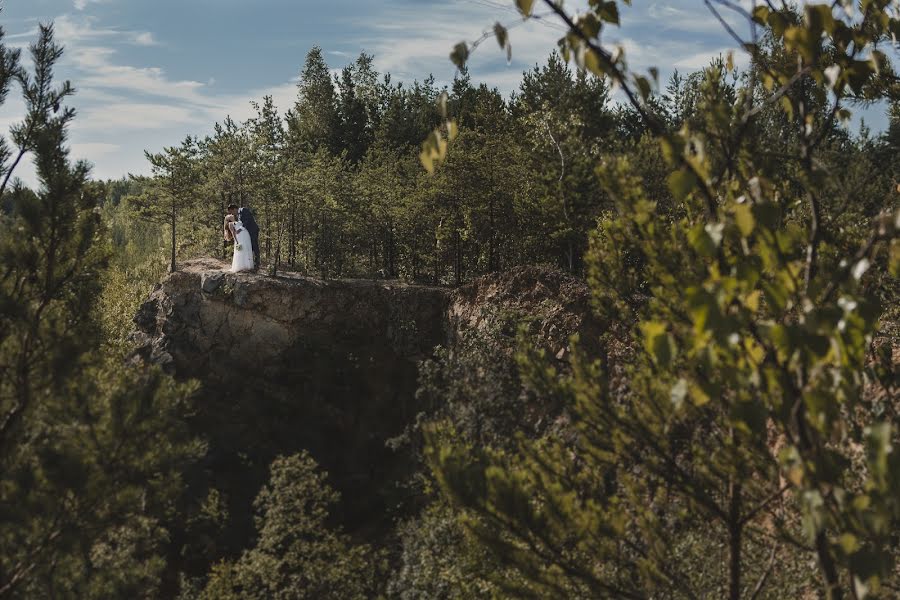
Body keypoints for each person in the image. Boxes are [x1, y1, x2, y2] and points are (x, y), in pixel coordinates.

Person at [228, 204, 260, 269]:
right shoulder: (239, 215)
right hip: (247, 233)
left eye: (232, 212)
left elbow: (247, 221)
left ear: (234, 209)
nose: (232, 214)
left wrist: (240, 229)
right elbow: (241, 223)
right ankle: (251, 263)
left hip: (253, 230)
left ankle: (257, 264)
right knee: (249, 247)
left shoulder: (244, 210)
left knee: (254, 246)